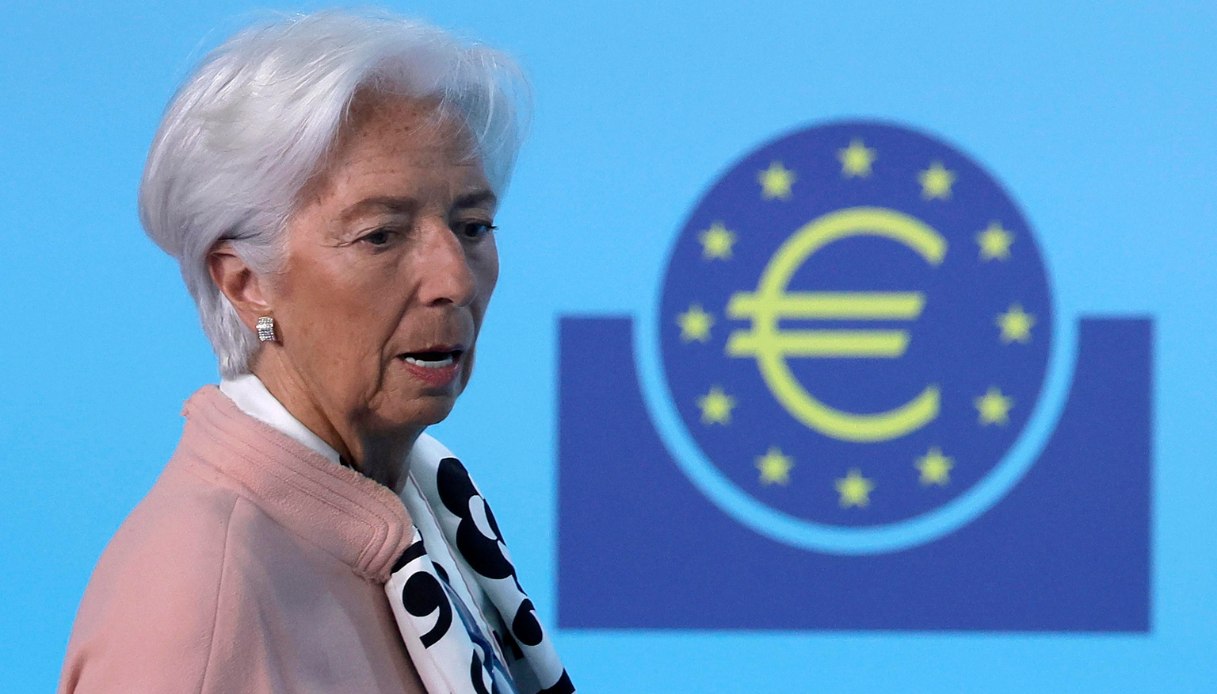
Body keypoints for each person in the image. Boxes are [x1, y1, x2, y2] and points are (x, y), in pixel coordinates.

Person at [59, 10, 573, 694]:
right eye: (380, 236)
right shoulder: (196, 604)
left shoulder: (430, 503)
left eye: (473, 226)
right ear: (245, 283)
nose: (453, 279)